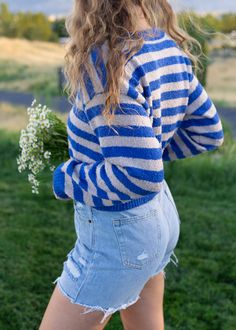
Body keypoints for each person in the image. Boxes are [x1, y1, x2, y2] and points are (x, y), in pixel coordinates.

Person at [39, 1, 224, 329]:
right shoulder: (166, 47)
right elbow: (208, 131)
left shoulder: (106, 62)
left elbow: (138, 175)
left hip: (120, 233)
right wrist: (147, 152)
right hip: (159, 218)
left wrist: (66, 178)